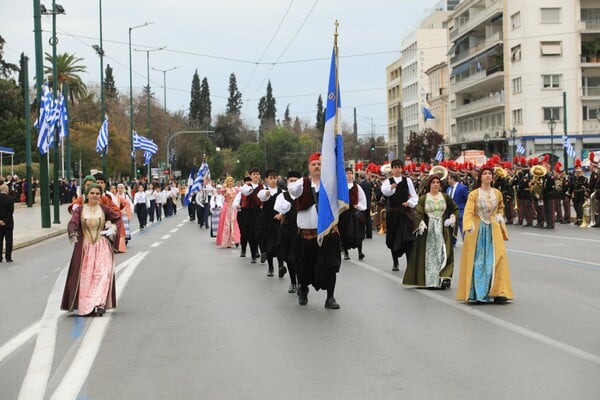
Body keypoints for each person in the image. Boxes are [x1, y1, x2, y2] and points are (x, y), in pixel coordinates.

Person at [288, 152, 342, 309]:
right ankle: (303, 290)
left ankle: (330, 298)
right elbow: (292, 190)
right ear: (309, 167)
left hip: (327, 235)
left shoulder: (330, 184)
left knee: (330, 267)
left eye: (319, 164)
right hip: (306, 236)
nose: (317, 166)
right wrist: (302, 182)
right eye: (314, 164)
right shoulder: (302, 184)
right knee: (303, 267)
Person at [61, 183, 121, 316]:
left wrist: (112, 229)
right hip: (86, 247)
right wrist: (73, 233)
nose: (94, 196)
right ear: (87, 194)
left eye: (97, 193)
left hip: (102, 246)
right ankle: (87, 304)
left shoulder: (104, 209)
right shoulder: (80, 210)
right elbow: (73, 223)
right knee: (86, 276)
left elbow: (117, 218)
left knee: (102, 274)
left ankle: (100, 303)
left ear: (101, 195)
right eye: (92, 193)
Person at [456, 167, 513, 303]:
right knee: (479, 260)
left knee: (498, 258)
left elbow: (500, 207)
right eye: (485, 174)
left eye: (489, 174)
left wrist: (500, 216)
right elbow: (469, 211)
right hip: (478, 229)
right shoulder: (474, 194)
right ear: (480, 177)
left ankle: (499, 292)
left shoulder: (497, 193)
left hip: (493, 228)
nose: (487, 176)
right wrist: (469, 226)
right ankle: (478, 293)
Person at [403, 175, 458, 289]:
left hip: (442, 229)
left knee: (444, 253)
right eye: (433, 182)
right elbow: (418, 212)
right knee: (429, 254)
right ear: (429, 184)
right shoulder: (424, 198)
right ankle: (429, 279)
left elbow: (455, 208)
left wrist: (452, 218)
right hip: (429, 229)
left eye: (438, 182)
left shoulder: (445, 197)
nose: (436, 184)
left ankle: (444, 277)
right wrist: (421, 223)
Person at [381, 159, 419, 271]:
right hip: (392, 214)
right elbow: (384, 191)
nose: (397, 169)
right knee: (392, 238)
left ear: (402, 169)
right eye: (395, 167)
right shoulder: (388, 182)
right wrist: (391, 188)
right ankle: (395, 262)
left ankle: (409, 263)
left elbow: (414, 196)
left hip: (404, 213)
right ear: (392, 169)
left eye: (399, 167)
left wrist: (409, 203)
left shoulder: (407, 181)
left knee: (407, 239)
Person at [274, 170, 301, 293]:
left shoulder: (304, 195)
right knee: (289, 258)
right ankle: (293, 282)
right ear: (287, 182)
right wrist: (282, 213)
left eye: (296, 181)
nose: (293, 183)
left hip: (301, 230)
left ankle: (301, 282)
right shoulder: (282, 196)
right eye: (291, 181)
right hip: (286, 230)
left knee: (299, 258)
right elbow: (279, 209)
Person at [257, 169, 285, 277]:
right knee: (268, 244)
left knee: (279, 244)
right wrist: (266, 193)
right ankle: (270, 267)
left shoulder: (282, 192)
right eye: (270, 178)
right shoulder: (264, 191)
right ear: (266, 180)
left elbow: (285, 205)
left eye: (274, 178)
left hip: (277, 222)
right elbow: (261, 196)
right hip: (266, 222)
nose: (273, 180)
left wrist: (281, 215)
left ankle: (281, 266)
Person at [339, 167, 367, 260]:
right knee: (345, 233)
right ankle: (346, 252)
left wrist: (358, 206)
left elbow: (363, 199)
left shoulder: (357, 187)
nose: (349, 175)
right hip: (344, 213)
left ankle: (360, 251)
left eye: (351, 173)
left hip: (354, 213)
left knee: (358, 232)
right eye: (347, 173)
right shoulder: (341, 188)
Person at [239, 168, 263, 264]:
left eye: (257, 174)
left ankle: (262, 252)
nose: (256, 176)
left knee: (260, 233)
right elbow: (243, 194)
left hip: (259, 212)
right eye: (254, 174)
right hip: (248, 212)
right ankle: (253, 255)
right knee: (250, 234)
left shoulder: (262, 187)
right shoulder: (246, 186)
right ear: (250, 176)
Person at [216, 177, 240, 248]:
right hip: (226, 207)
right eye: (228, 181)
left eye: (231, 181)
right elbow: (222, 192)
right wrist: (224, 186)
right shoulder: (225, 189)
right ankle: (226, 241)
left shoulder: (236, 189)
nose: (230, 183)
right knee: (226, 224)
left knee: (234, 223)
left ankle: (236, 240)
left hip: (234, 207)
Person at [446, 172, 468, 246]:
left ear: (452, 179)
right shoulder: (448, 188)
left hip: (460, 211)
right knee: (451, 227)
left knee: (462, 228)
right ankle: (452, 242)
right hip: (450, 211)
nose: (448, 181)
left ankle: (466, 242)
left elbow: (466, 199)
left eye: (448, 179)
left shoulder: (462, 187)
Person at [0, 184, 15, 262]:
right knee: (9, 241)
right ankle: (8, 257)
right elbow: (10, 212)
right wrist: (5, 221)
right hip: (8, 224)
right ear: (6, 190)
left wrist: (0, 221)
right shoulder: (10, 199)